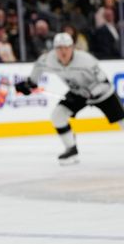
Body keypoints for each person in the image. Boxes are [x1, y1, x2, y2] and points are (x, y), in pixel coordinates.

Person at [15, 32, 124, 164]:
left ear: (73, 48)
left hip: (102, 93)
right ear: (54, 49)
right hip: (77, 92)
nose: (63, 51)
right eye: (59, 48)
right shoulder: (48, 59)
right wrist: (30, 84)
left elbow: (104, 83)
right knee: (58, 115)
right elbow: (38, 69)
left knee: (122, 121)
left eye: (66, 47)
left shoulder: (86, 60)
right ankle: (71, 149)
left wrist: (90, 93)